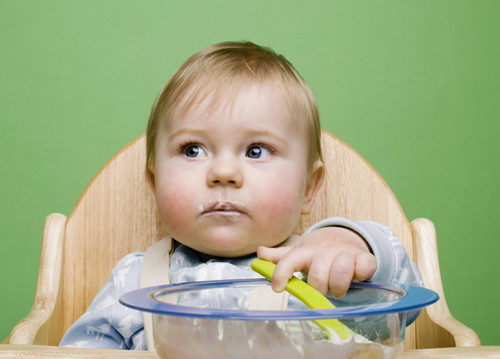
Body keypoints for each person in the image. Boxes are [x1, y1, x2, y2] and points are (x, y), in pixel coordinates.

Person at [59, 41, 422, 350]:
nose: (223, 173)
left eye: (256, 151)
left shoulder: (318, 277)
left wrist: (350, 244)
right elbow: (82, 353)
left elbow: (403, 305)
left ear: (309, 188)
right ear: (155, 184)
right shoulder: (133, 281)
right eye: (192, 150)